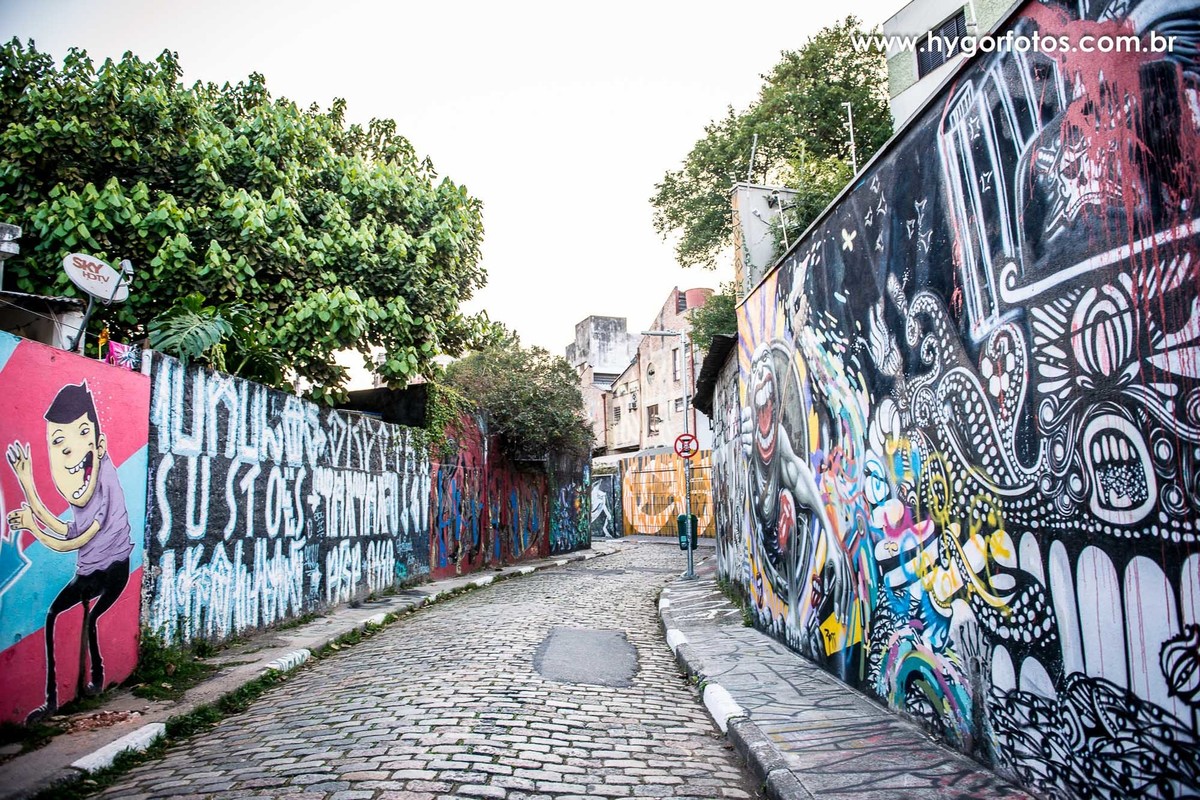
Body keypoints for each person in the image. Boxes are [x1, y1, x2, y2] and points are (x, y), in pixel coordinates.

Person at [6, 381, 133, 721]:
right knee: (53, 614)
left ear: (99, 444)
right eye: (58, 442)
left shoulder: (104, 481)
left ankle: (96, 679)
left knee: (90, 618)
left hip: (115, 567)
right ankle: (52, 701)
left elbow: (71, 543)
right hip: (89, 570)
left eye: (81, 435)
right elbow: (65, 528)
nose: (68, 451)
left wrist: (33, 528)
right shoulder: (83, 488)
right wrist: (27, 482)